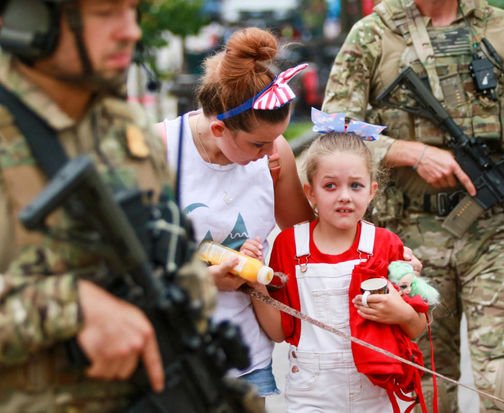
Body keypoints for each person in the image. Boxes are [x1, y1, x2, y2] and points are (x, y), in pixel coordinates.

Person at [322, 0, 504, 412]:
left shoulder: (502, 29)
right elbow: (334, 126)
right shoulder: (373, 33)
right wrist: (406, 152)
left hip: (496, 231)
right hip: (408, 236)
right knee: (423, 380)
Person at [0, 0, 217, 411]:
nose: (130, 30)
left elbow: (178, 255)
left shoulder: (128, 129)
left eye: (131, 10)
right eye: (105, 13)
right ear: (33, 20)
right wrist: (70, 307)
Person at [157, 27, 315, 406]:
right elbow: (128, 257)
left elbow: (308, 236)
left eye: (275, 140)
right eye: (257, 144)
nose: (268, 151)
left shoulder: (275, 158)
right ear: (218, 128)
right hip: (175, 355)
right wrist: (206, 279)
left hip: (247, 358)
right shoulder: (162, 149)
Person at [248, 111, 429, 412]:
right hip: (311, 397)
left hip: (376, 396)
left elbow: (418, 326)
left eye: (355, 186)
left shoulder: (387, 244)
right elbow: (280, 331)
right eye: (330, 186)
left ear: (372, 191)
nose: (344, 196)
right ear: (311, 192)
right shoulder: (290, 245)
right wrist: (256, 283)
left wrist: (402, 313)